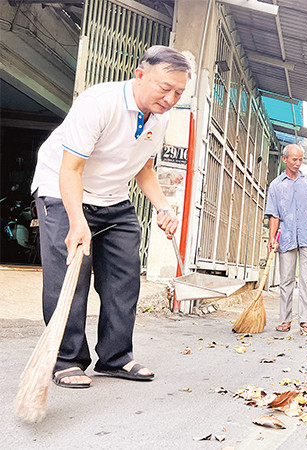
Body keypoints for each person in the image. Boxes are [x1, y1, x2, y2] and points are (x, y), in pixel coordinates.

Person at [30, 45, 189, 388]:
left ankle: (116, 358)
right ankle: (66, 360)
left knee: (124, 277)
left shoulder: (160, 118)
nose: (171, 98)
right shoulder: (99, 103)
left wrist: (163, 206)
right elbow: (70, 169)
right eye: (165, 88)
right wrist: (77, 222)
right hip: (62, 190)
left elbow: (144, 167)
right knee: (71, 278)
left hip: (113, 198)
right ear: (140, 74)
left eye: (179, 92)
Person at [266, 144, 307, 336]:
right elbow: (273, 215)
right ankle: (284, 320)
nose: (298, 163)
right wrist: (271, 239)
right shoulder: (276, 186)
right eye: (294, 159)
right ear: (284, 159)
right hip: (287, 236)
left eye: (300, 159)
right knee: (286, 281)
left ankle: (306, 322)